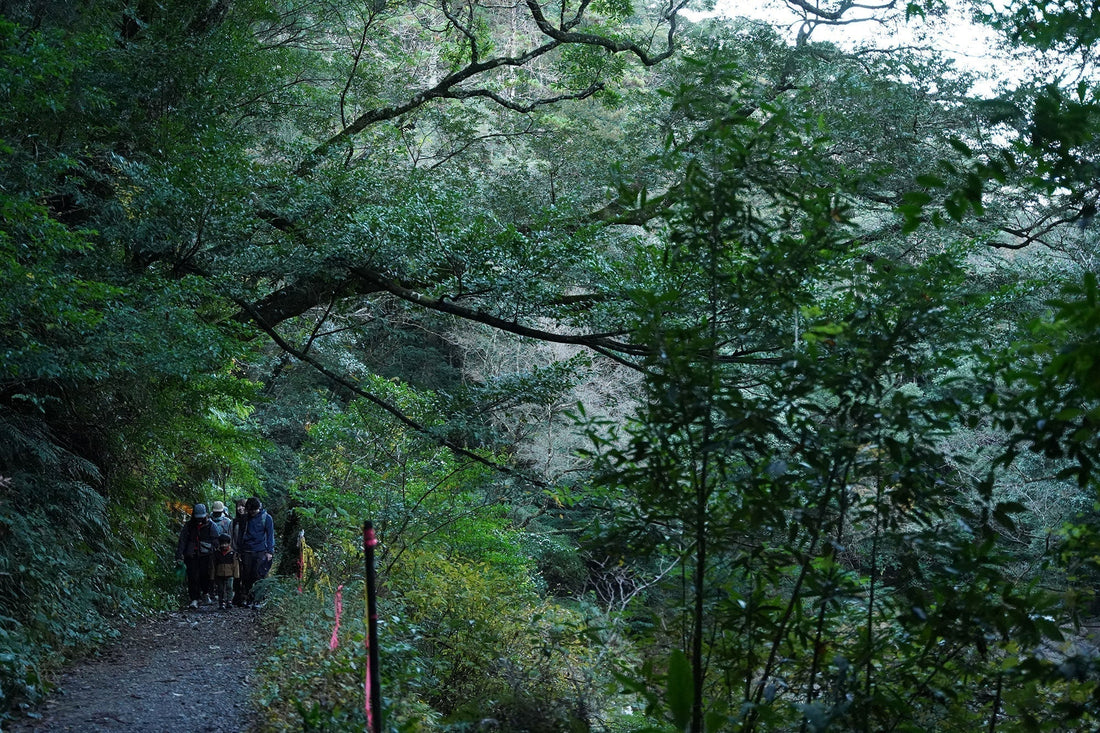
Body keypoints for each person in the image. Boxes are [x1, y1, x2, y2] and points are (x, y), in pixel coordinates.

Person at [176, 503, 220, 609]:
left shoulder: (211, 525)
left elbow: (216, 540)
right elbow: (183, 540)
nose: (199, 520)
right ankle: (194, 598)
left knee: (205, 575)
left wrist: (215, 553)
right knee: (192, 577)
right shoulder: (189, 526)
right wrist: (179, 555)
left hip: (206, 555)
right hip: (191, 555)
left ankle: (205, 593)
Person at [235, 496, 274, 608]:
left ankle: (257, 599)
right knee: (246, 576)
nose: (251, 512)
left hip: (260, 550)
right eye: (250, 510)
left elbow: (270, 535)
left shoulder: (266, 518)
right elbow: (241, 535)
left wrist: (270, 551)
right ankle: (248, 599)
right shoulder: (245, 518)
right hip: (246, 550)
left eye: (253, 510)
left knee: (258, 575)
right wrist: (239, 550)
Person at [209, 534, 239, 610]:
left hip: (230, 574)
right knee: (220, 589)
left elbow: (236, 565)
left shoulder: (233, 553)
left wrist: (236, 575)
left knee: (230, 587)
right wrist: (212, 576)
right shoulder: (216, 553)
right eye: (222, 544)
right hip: (219, 574)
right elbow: (213, 565)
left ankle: (229, 601)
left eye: (226, 544)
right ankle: (221, 602)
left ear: (229, 543)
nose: (224, 545)